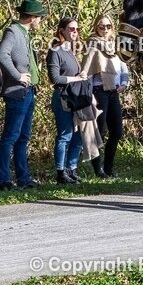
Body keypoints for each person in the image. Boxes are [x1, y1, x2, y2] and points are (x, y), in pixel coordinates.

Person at [0, 0, 48, 191]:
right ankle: (3, 179)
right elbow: (2, 54)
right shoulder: (13, 31)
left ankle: (23, 177)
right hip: (16, 91)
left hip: (28, 92)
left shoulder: (26, 33)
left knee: (23, 137)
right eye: (40, 18)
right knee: (10, 137)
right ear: (32, 18)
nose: (40, 21)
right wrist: (18, 75)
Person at [85, 15, 130, 177]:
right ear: (96, 27)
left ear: (112, 28)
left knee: (117, 131)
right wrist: (89, 95)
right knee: (98, 131)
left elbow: (124, 69)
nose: (105, 29)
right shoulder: (92, 44)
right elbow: (87, 71)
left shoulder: (116, 46)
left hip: (114, 92)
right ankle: (98, 170)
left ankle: (108, 168)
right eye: (101, 26)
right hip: (99, 91)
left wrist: (124, 84)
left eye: (108, 26)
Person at [47, 17, 88, 185]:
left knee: (78, 135)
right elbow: (55, 78)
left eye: (76, 29)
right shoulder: (55, 51)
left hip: (75, 98)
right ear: (61, 30)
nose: (75, 32)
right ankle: (61, 172)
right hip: (63, 97)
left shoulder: (70, 51)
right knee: (65, 135)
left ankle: (72, 169)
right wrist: (76, 78)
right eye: (71, 29)